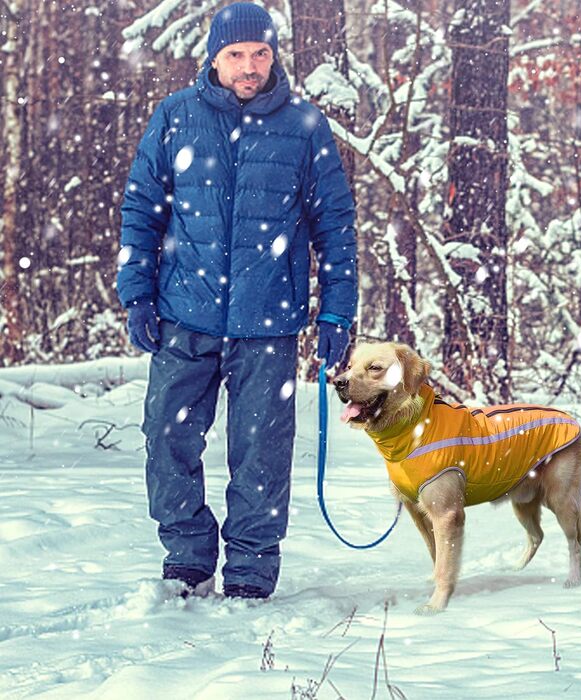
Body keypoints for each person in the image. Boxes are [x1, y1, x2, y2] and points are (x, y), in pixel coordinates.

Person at [116, 2, 357, 600]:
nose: (249, 66)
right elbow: (141, 212)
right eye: (236, 55)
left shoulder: (305, 125)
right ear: (214, 57)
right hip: (183, 315)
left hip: (267, 320)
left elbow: (336, 226)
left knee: (261, 452)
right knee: (166, 438)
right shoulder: (175, 118)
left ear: (273, 55)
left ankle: (250, 569)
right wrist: (137, 294)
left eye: (260, 54)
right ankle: (188, 558)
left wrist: (336, 309)